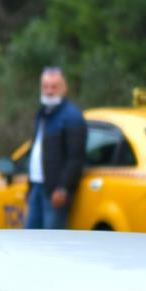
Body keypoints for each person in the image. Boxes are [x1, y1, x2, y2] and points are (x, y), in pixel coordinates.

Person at [25, 67, 87, 229]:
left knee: (50, 245)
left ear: (64, 88)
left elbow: (76, 158)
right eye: (45, 86)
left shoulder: (72, 117)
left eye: (54, 86)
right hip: (37, 187)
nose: (49, 91)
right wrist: (30, 186)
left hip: (54, 192)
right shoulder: (43, 114)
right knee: (28, 242)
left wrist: (63, 188)